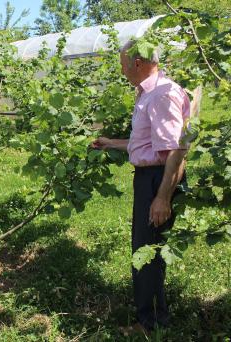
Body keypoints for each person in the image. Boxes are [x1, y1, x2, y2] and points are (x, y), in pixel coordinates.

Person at [92, 40, 190, 333]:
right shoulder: (148, 93)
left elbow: (175, 151)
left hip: (159, 180)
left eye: (123, 63)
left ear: (137, 63)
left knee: (148, 251)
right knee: (146, 248)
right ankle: (152, 316)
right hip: (152, 177)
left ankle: (151, 324)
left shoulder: (162, 94)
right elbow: (148, 145)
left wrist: (163, 197)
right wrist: (112, 143)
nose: (121, 70)